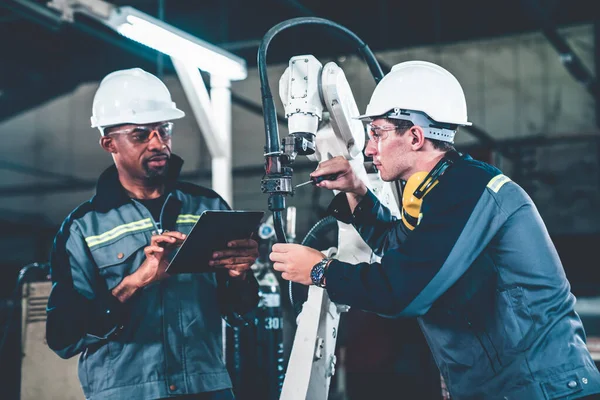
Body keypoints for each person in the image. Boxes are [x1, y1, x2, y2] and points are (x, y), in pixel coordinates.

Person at [270, 60, 600, 399]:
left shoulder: (470, 189)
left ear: (415, 136)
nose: (369, 150)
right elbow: (399, 247)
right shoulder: (440, 191)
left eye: (378, 134)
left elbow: (402, 291)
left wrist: (320, 270)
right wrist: (355, 190)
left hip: (544, 390)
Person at [45, 68, 259, 400]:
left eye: (164, 130)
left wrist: (241, 276)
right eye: (141, 134)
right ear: (109, 143)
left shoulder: (207, 206)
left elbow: (238, 311)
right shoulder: (83, 228)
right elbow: (63, 336)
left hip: (207, 387)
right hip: (127, 393)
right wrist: (134, 282)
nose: (158, 143)